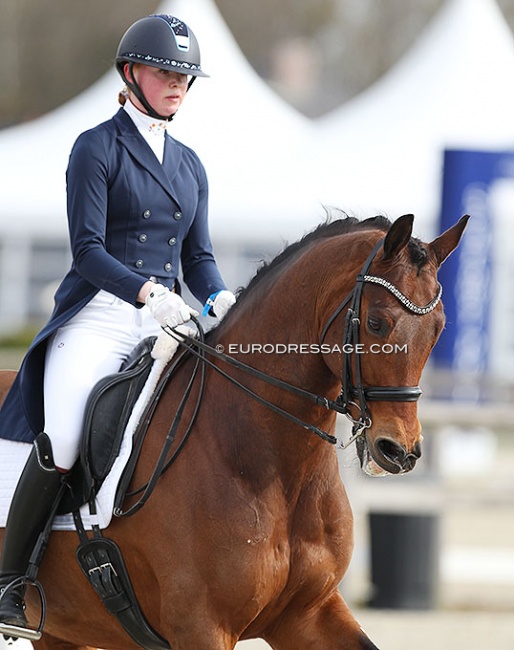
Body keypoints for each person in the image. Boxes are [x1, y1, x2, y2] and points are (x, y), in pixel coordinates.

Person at [0, 14, 235, 639]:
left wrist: (219, 300)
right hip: (102, 316)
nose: (178, 85)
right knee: (65, 441)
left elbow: (199, 257)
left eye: (186, 76)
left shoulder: (190, 165)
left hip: (169, 321)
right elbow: (88, 250)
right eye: (165, 72)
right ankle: (9, 581)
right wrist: (146, 292)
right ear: (131, 74)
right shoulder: (96, 146)